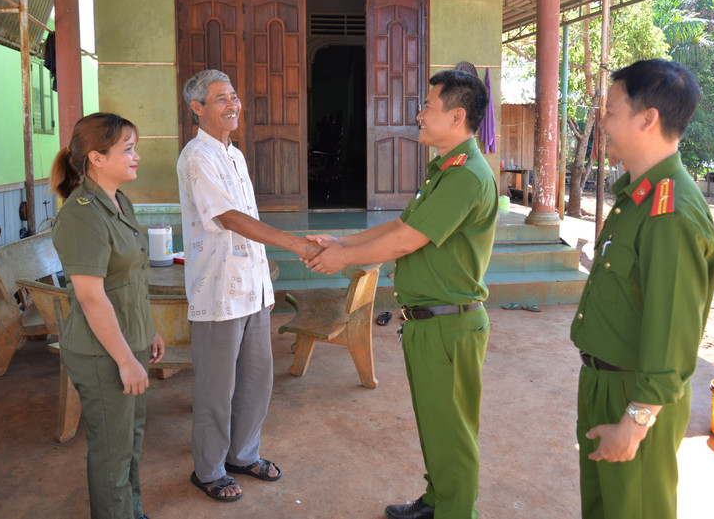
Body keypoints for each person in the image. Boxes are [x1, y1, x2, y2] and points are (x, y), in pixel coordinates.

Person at [306, 69, 498, 519]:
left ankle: (456, 512)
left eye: (427, 107)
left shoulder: (467, 175)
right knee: (437, 425)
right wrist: (344, 244)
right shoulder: (445, 171)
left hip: (449, 325)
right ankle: (438, 500)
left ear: (456, 116)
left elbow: (404, 243)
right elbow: (400, 226)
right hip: (432, 322)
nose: (418, 114)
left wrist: (342, 261)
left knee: (453, 434)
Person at [571, 59, 714, 519]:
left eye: (611, 111)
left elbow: (673, 333)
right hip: (603, 382)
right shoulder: (637, 197)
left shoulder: (670, 211)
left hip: (634, 394)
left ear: (647, 118)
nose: (602, 123)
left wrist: (635, 422)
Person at [176, 69, 322, 502]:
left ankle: (242, 455)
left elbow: (246, 220)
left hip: (253, 289)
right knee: (216, 390)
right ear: (197, 108)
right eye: (221, 99)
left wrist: (266, 281)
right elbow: (228, 218)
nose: (233, 104)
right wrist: (294, 243)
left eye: (234, 96)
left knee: (257, 381)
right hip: (218, 291)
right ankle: (209, 469)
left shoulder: (234, 155)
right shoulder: (195, 157)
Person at [50, 112, 165, 519]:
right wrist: (125, 360)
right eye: (128, 149)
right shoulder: (82, 213)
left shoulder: (119, 201)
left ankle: (131, 512)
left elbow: (132, 276)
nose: (136, 156)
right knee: (112, 451)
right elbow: (92, 298)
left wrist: (148, 331)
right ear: (96, 158)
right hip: (103, 353)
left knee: (129, 442)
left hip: (129, 341)